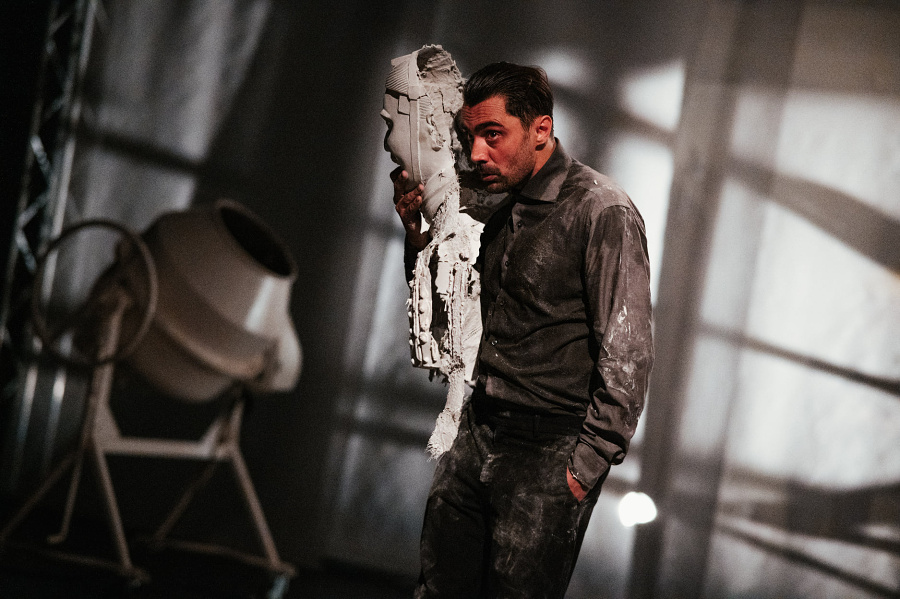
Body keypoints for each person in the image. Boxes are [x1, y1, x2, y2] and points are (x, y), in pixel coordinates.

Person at [393, 61, 654, 598]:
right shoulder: (490, 196)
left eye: (493, 134)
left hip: (549, 449)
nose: (476, 153)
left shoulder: (601, 210)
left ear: (541, 130)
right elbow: (446, 308)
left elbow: (627, 355)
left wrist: (581, 470)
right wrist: (417, 234)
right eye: (469, 136)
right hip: (478, 428)